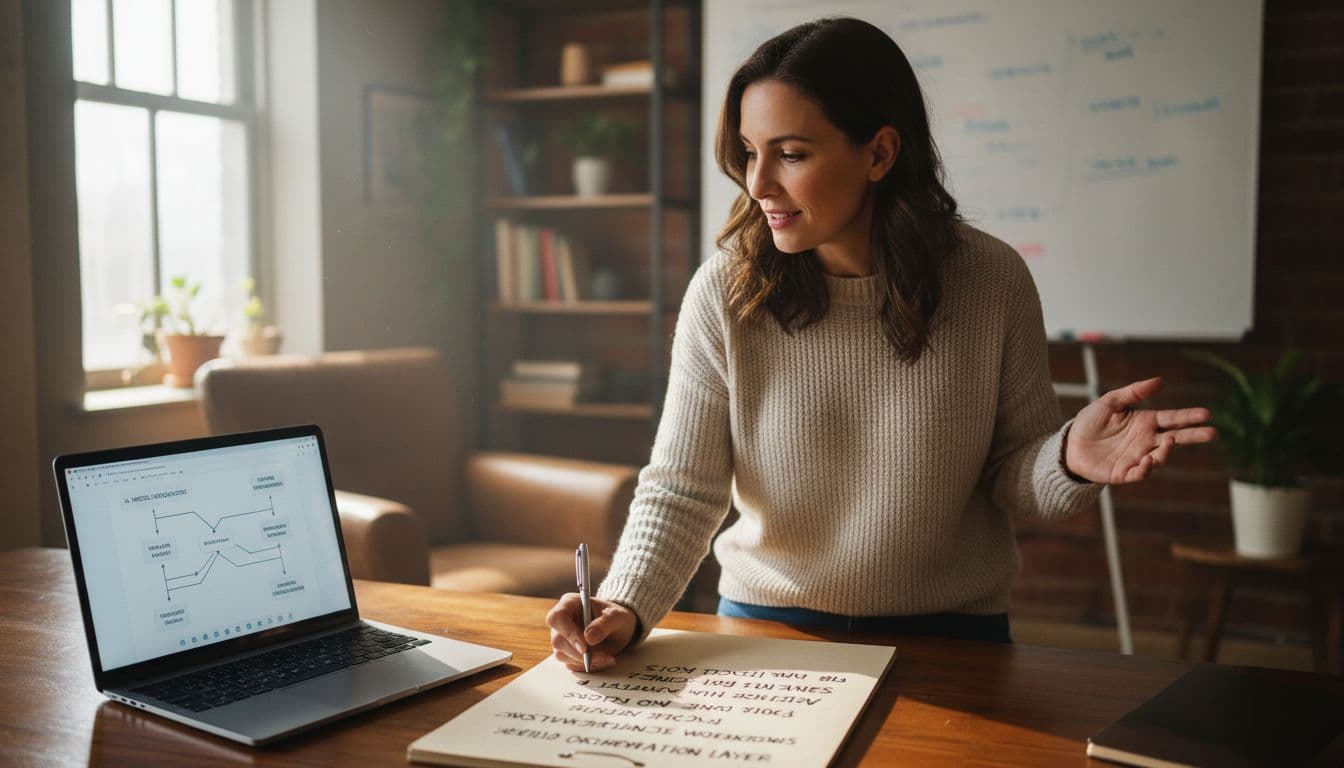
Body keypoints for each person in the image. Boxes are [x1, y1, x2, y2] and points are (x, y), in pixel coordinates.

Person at [547, 17, 1215, 670]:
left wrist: (1067, 458)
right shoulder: (725, 292)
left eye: (792, 153)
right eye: (750, 152)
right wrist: (623, 606)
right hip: (770, 633)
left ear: (879, 153)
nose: (758, 184)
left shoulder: (991, 280)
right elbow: (682, 490)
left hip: (953, 636)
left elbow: (1016, 477)